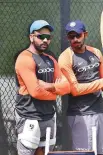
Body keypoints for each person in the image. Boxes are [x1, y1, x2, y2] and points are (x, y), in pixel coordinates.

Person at [58, 20, 103, 155]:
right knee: (85, 154)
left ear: (85, 34)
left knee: (101, 152)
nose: (75, 39)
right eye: (71, 36)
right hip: (80, 115)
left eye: (78, 35)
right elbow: (75, 89)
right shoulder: (65, 58)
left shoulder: (95, 52)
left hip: (99, 111)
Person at [14, 20, 70, 155]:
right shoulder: (25, 58)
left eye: (48, 37)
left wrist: (49, 85)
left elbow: (67, 86)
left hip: (49, 116)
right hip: (29, 116)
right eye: (41, 36)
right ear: (31, 37)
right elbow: (35, 92)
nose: (45, 40)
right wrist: (56, 91)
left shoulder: (50, 59)